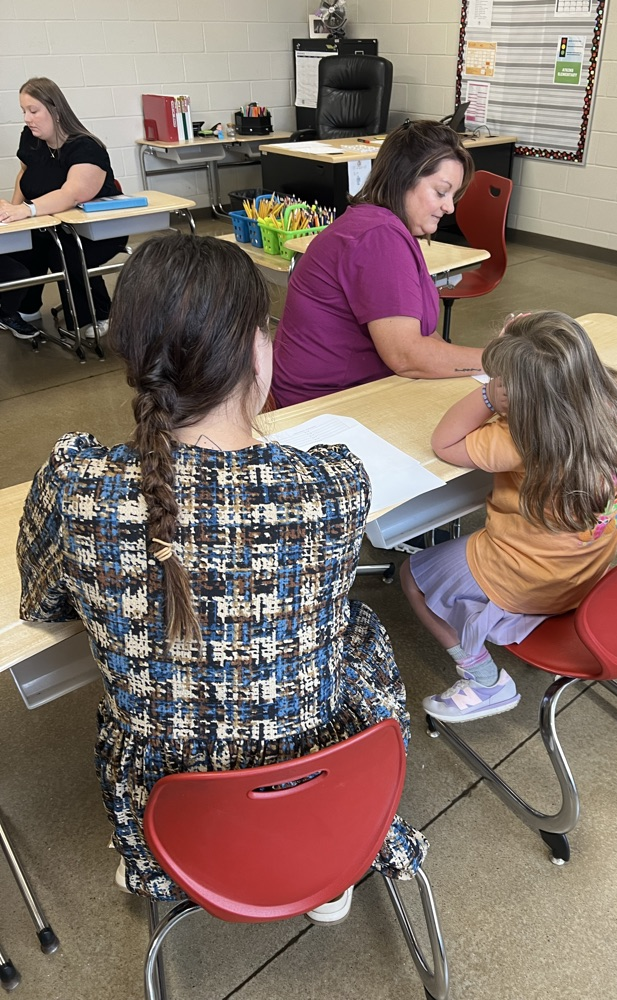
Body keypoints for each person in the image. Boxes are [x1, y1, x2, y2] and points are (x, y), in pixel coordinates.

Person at [16, 233, 427, 919]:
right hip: (321, 788)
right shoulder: (330, 485)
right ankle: (319, 866)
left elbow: (46, 602)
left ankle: (162, 865)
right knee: (358, 628)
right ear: (255, 350)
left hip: (165, 810)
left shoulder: (78, 483)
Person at [400, 311, 617, 722]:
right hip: (586, 574)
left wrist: (486, 394)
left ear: (521, 397)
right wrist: (522, 341)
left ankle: (483, 679)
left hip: (529, 582)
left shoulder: (519, 436)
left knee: (412, 576)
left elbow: (444, 443)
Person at [271, 119, 486, 407]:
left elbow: (423, 337)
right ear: (404, 178)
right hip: (321, 406)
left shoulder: (379, 225)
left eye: (452, 195)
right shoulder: (379, 237)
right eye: (440, 192)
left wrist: (484, 361)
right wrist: (500, 359)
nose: (449, 207)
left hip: (341, 394)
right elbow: (406, 357)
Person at [0, 77, 128, 339]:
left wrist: (28, 210)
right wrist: (13, 213)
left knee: (62, 250)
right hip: (54, 224)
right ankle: (24, 308)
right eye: (24, 111)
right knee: (24, 245)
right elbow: (24, 176)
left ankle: (99, 313)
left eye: (33, 111)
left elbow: (72, 193)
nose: (27, 118)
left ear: (56, 111)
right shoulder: (32, 139)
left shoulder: (86, 147)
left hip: (96, 231)